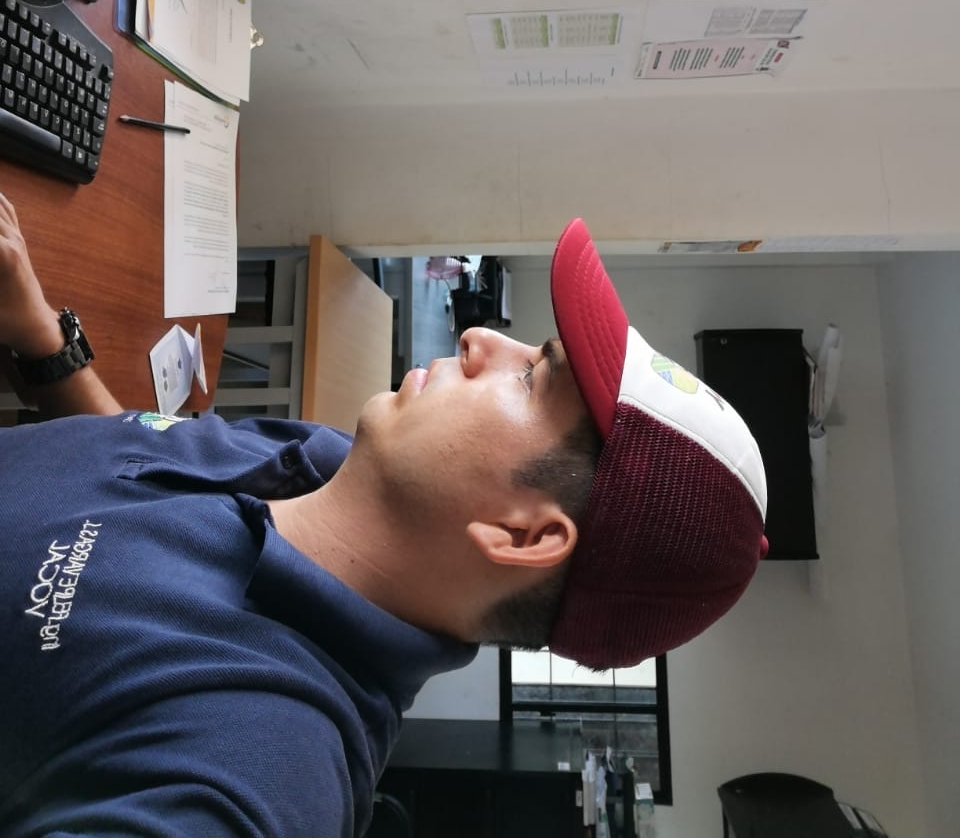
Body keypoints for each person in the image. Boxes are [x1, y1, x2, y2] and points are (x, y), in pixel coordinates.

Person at [0, 192, 767, 837]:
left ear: (524, 534)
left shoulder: (255, 765)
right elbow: (131, 477)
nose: (480, 339)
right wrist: (40, 338)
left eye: (532, 378)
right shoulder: (330, 463)